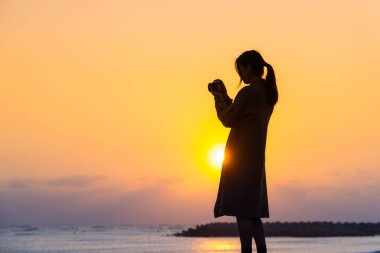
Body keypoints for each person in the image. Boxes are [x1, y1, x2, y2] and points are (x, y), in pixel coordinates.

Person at [209, 50, 278, 253]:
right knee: (253, 213)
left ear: (248, 68)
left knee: (242, 211)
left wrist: (217, 98)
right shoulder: (267, 92)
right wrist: (225, 96)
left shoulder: (249, 92)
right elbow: (240, 113)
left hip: (240, 159)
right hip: (255, 160)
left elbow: (228, 119)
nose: (241, 76)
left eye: (240, 71)